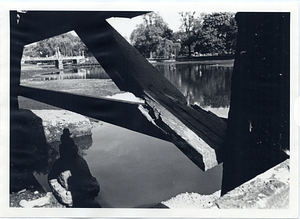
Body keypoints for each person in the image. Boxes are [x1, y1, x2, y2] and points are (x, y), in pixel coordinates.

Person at [48, 128, 100, 208]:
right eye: (67, 149)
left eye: (71, 148)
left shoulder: (80, 161)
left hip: (83, 192)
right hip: (70, 195)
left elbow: (89, 177)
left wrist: (93, 186)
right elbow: (52, 179)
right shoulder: (59, 164)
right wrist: (63, 193)